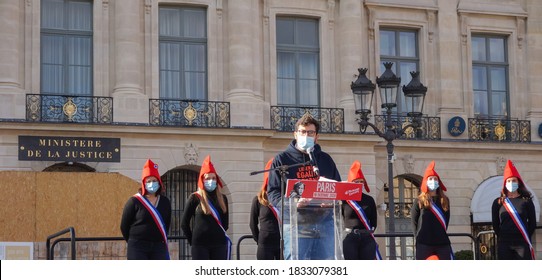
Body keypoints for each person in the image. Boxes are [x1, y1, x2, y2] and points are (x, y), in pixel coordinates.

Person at [267, 114, 341, 260]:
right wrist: (293, 203)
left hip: (325, 224)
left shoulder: (325, 159)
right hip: (296, 225)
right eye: (302, 132)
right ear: (296, 134)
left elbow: (337, 188)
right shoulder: (282, 160)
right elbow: (273, 193)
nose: (306, 135)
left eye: (310, 133)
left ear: (316, 137)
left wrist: (331, 200)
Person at [120, 159, 172, 260]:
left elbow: (166, 223)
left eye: (154, 181)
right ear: (144, 183)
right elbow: (124, 226)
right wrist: (133, 241)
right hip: (137, 247)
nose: (152, 184)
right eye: (148, 181)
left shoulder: (165, 202)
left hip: (158, 247)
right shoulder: (134, 201)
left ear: (159, 182)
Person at [181, 155, 230, 260]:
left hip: (219, 245)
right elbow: (184, 223)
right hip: (200, 246)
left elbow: (225, 224)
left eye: (213, 178)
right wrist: (193, 241)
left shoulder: (223, 198)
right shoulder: (195, 197)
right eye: (208, 178)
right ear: (202, 180)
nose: (211, 181)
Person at [491, 160, 536, 260]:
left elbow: (532, 223)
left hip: (522, 243)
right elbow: (495, 225)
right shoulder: (498, 202)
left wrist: (523, 237)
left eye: (514, 180)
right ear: (505, 183)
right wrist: (504, 237)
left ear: (518, 182)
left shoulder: (527, 201)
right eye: (509, 181)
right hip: (504, 244)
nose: (511, 183)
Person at [411, 161, 453, 260]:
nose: (433, 181)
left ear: (438, 182)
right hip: (424, 242)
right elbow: (414, 221)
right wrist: (418, 238)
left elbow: (446, 221)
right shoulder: (419, 201)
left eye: (435, 179)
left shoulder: (445, 200)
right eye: (430, 179)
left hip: (442, 242)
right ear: (426, 181)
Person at [342, 160, 380, 260]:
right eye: (356, 182)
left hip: (366, 237)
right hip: (350, 237)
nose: (359, 184)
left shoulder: (369, 199)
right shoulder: (345, 200)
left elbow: (374, 222)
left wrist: (366, 233)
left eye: (361, 181)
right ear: (351, 183)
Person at [249, 158, 281, 260]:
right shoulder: (258, 199)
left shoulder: (284, 197)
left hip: (282, 242)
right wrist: (259, 240)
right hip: (265, 243)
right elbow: (252, 223)